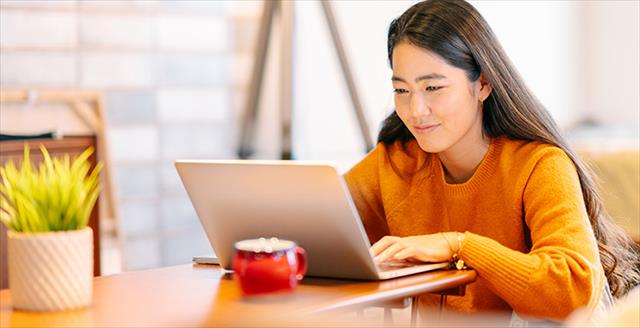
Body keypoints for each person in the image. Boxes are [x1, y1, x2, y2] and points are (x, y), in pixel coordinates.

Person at [344, 0, 639, 324]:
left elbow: (572, 290)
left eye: (433, 87)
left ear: (483, 83)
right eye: (401, 90)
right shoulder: (396, 162)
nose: (416, 110)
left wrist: (460, 245)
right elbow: (321, 224)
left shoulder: (539, 164)